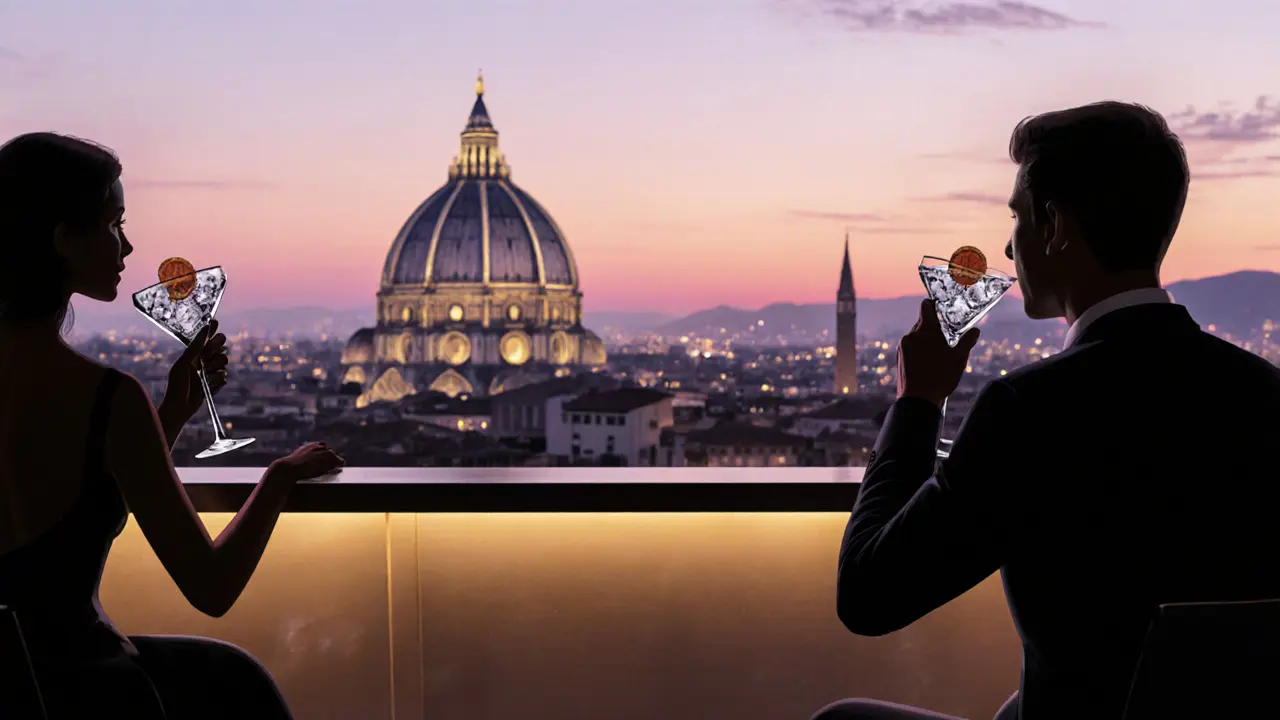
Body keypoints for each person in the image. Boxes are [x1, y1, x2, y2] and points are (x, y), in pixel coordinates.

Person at [813, 102, 1280, 720]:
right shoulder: (1265, 392)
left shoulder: (1028, 412)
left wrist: (918, 400)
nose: (1008, 246)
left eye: (1017, 216)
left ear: (1055, 225)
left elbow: (869, 596)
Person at [0, 132, 345, 719]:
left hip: (17, 682)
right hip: (86, 691)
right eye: (114, 224)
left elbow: (64, 490)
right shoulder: (106, 397)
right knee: (238, 686)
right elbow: (211, 587)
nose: (128, 246)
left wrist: (170, 417)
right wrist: (278, 479)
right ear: (63, 239)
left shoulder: (110, 404)